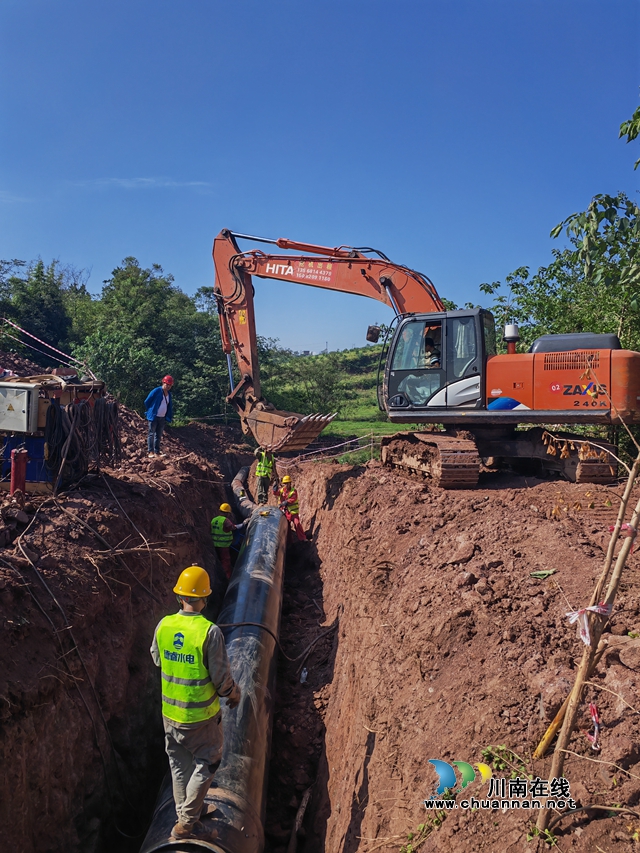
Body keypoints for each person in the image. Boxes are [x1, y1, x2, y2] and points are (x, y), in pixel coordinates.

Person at [150, 566, 241, 841]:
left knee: (179, 766)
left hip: (170, 714)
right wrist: (233, 694)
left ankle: (187, 813)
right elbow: (221, 677)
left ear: (180, 598)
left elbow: (157, 658)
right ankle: (187, 823)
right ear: (205, 599)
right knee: (208, 763)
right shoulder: (208, 632)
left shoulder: (164, 625)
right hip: (200, 718)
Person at [210, 503, 246, 580]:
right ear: (227, 513)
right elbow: (233, 528)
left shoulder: (214, 520)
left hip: (215, 544)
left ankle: (221, 577)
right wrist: (243, 524)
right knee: (226, 561)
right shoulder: (225, 520)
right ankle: (227, 579)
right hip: (223, 545)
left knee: (219, 560)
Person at [145, 375, 174, 458]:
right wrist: (151, 410)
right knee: (151, 434)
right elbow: (147, 401)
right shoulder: (156, 391)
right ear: (163, 382)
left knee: (159, 435)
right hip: (154, 417)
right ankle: (150, 451)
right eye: (167, 384)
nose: (168, 386)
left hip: (162, 417)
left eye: (170, 385)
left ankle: (157, 452)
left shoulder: (169, 394)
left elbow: (169, 405)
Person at [273, 475, 308, 542]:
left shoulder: (293, 491)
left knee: (297, 524)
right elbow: (276, 493)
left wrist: (285, 502)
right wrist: (274, 488)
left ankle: (303, 538)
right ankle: (289, 542)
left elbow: (292, 499)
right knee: (287, 528)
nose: (286, 485)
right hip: (285, 513)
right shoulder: (282, 490)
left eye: (287, 483)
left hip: (293, 513)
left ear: (290, 483)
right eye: (284, 483)